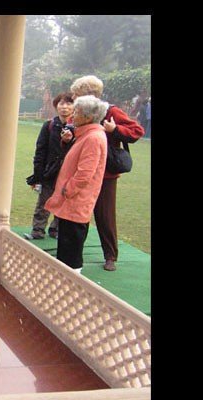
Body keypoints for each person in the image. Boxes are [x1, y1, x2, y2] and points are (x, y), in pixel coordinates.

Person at [69, 75, 144, 271]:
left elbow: (136, 131)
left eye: (77, 94)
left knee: (105, 215)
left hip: (106, 175)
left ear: (89, 94)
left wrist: (114, 129)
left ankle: (110, 255)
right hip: (82, 172)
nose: (73, 97)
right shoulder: (78, 113)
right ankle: (73, 253)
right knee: (77, 213)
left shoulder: (110, 111)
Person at [44, 95, 110, 274]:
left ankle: (71, 282)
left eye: (78, 112)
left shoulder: (94, 138)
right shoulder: (86, 135)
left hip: (76, 201)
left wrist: (68, 190)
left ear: (88, 117)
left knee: (71, 249)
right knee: (66, 245)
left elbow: (85, 173)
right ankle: (65, 279)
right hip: (72, 201)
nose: (73, 115)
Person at [24, 93, 75, 240]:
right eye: (61, 104)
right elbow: (40, 150)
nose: (64, 107)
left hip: (68, 173)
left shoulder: (78, 127)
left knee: (64, 201)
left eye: (68, 104)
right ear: (56, 106)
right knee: (44, 202)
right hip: (49, 172)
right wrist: (38, 174)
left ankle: (56, 229)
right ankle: (37, 230)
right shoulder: (49, 125)